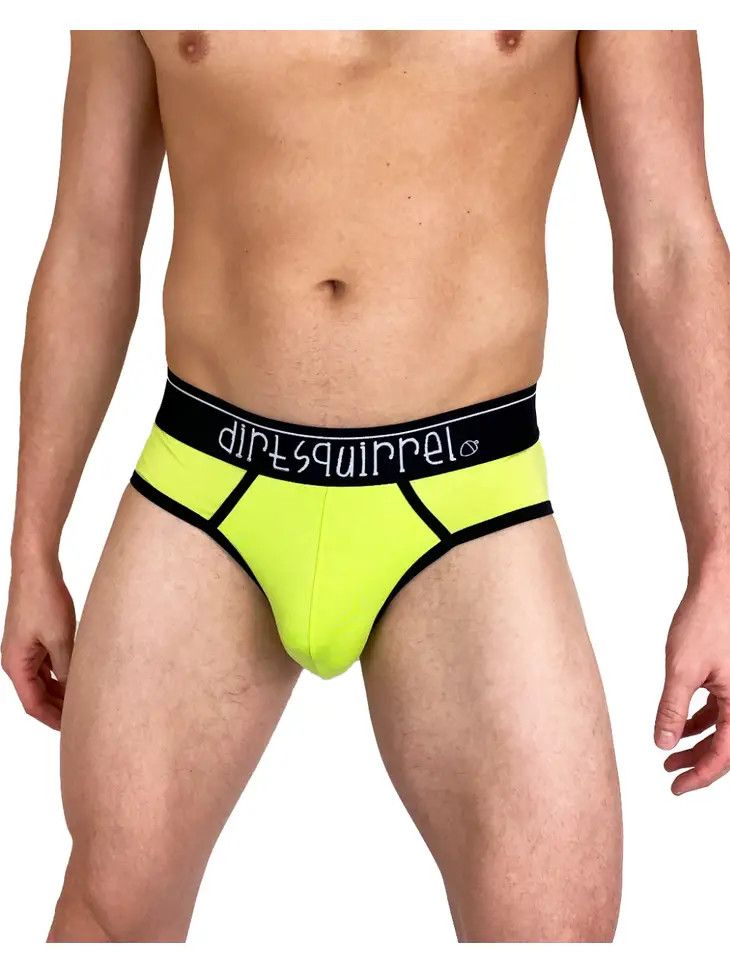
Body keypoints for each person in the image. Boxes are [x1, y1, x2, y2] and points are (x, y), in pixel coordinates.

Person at [2, 29, 729, 943]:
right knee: (110, 915)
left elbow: (671, 242)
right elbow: (91, 238)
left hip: (468, 496)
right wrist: (32, 543)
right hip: (206, 484)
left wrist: (722, 551)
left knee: (557, 932)